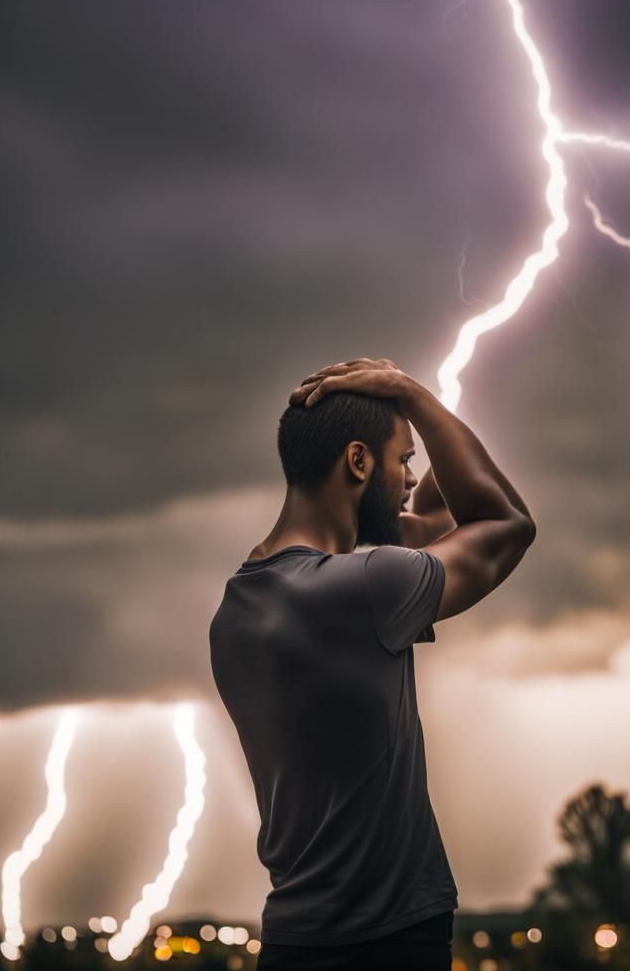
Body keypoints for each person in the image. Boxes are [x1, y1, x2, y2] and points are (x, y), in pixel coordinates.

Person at [209, 357, 536, 970]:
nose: (411, 479)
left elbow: (431, 521)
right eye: (403, 460)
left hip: (292, 941)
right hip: (388, 940)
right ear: (357, 461)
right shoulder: (365, 588)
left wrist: (415, 417)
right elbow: (504, 524)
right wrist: (411, 394)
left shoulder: (240, 607)